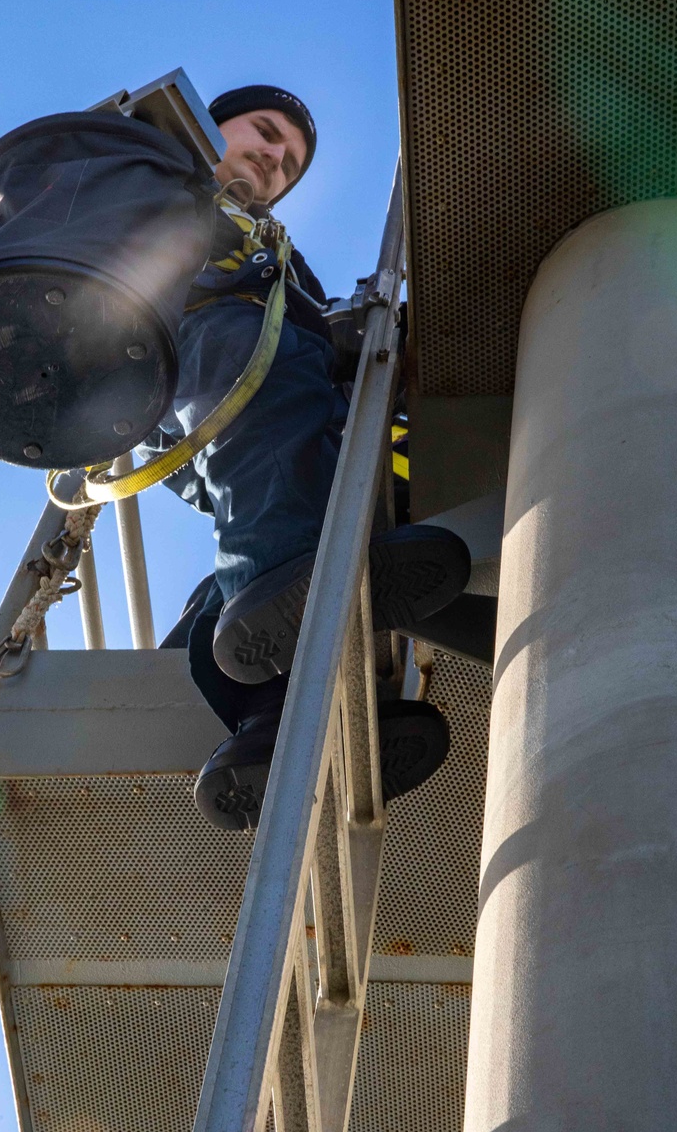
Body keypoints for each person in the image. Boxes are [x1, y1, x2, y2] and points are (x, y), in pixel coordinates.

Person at [141, 85, 472, 830]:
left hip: (254, 409)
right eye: (262, 133)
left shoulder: (277, 252)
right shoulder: (149, 175)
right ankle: (276, 580)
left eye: (287, 162)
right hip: (173, 358)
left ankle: (272, 726)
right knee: (281, 423)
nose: (272, 156)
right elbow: (28, 194)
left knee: (330, 486)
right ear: (207, 127)